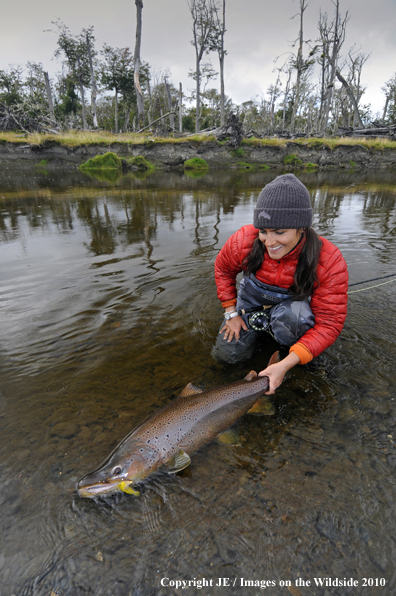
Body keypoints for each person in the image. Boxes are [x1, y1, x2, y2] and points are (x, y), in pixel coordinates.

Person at [213, 173, 348, 395]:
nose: (269, 242)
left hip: (292, 313)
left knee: (295, 321)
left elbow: (330, 324)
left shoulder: (329, 260)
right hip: (249, 307)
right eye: (263, 231)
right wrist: (230, 313)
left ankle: (292, 350)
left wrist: (285, 365)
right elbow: (223, 270)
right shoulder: (243, 240)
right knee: (226, 357)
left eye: (279, 232)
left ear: (301, 228)